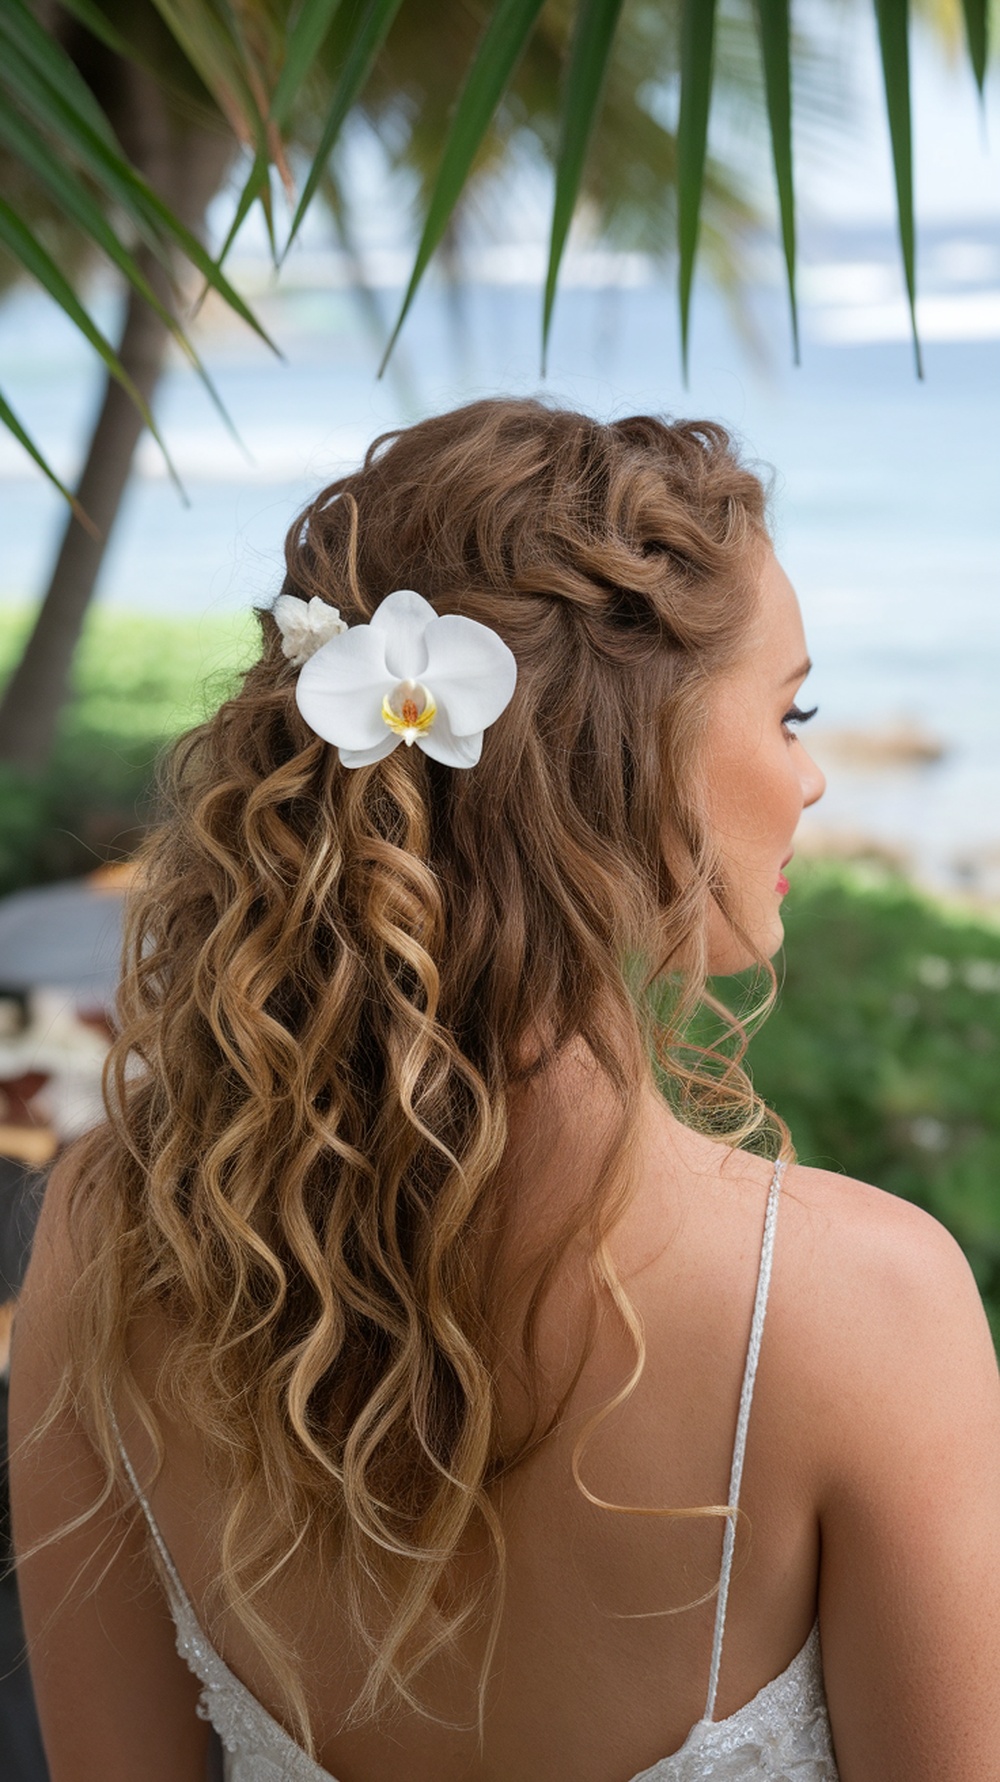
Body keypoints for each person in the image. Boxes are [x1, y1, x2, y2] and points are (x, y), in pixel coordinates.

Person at [8, 398, 1000, 1782]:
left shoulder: (110, 1234)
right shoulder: (864, 1311)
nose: (815, 772)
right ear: (622, 756)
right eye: (791, 711)